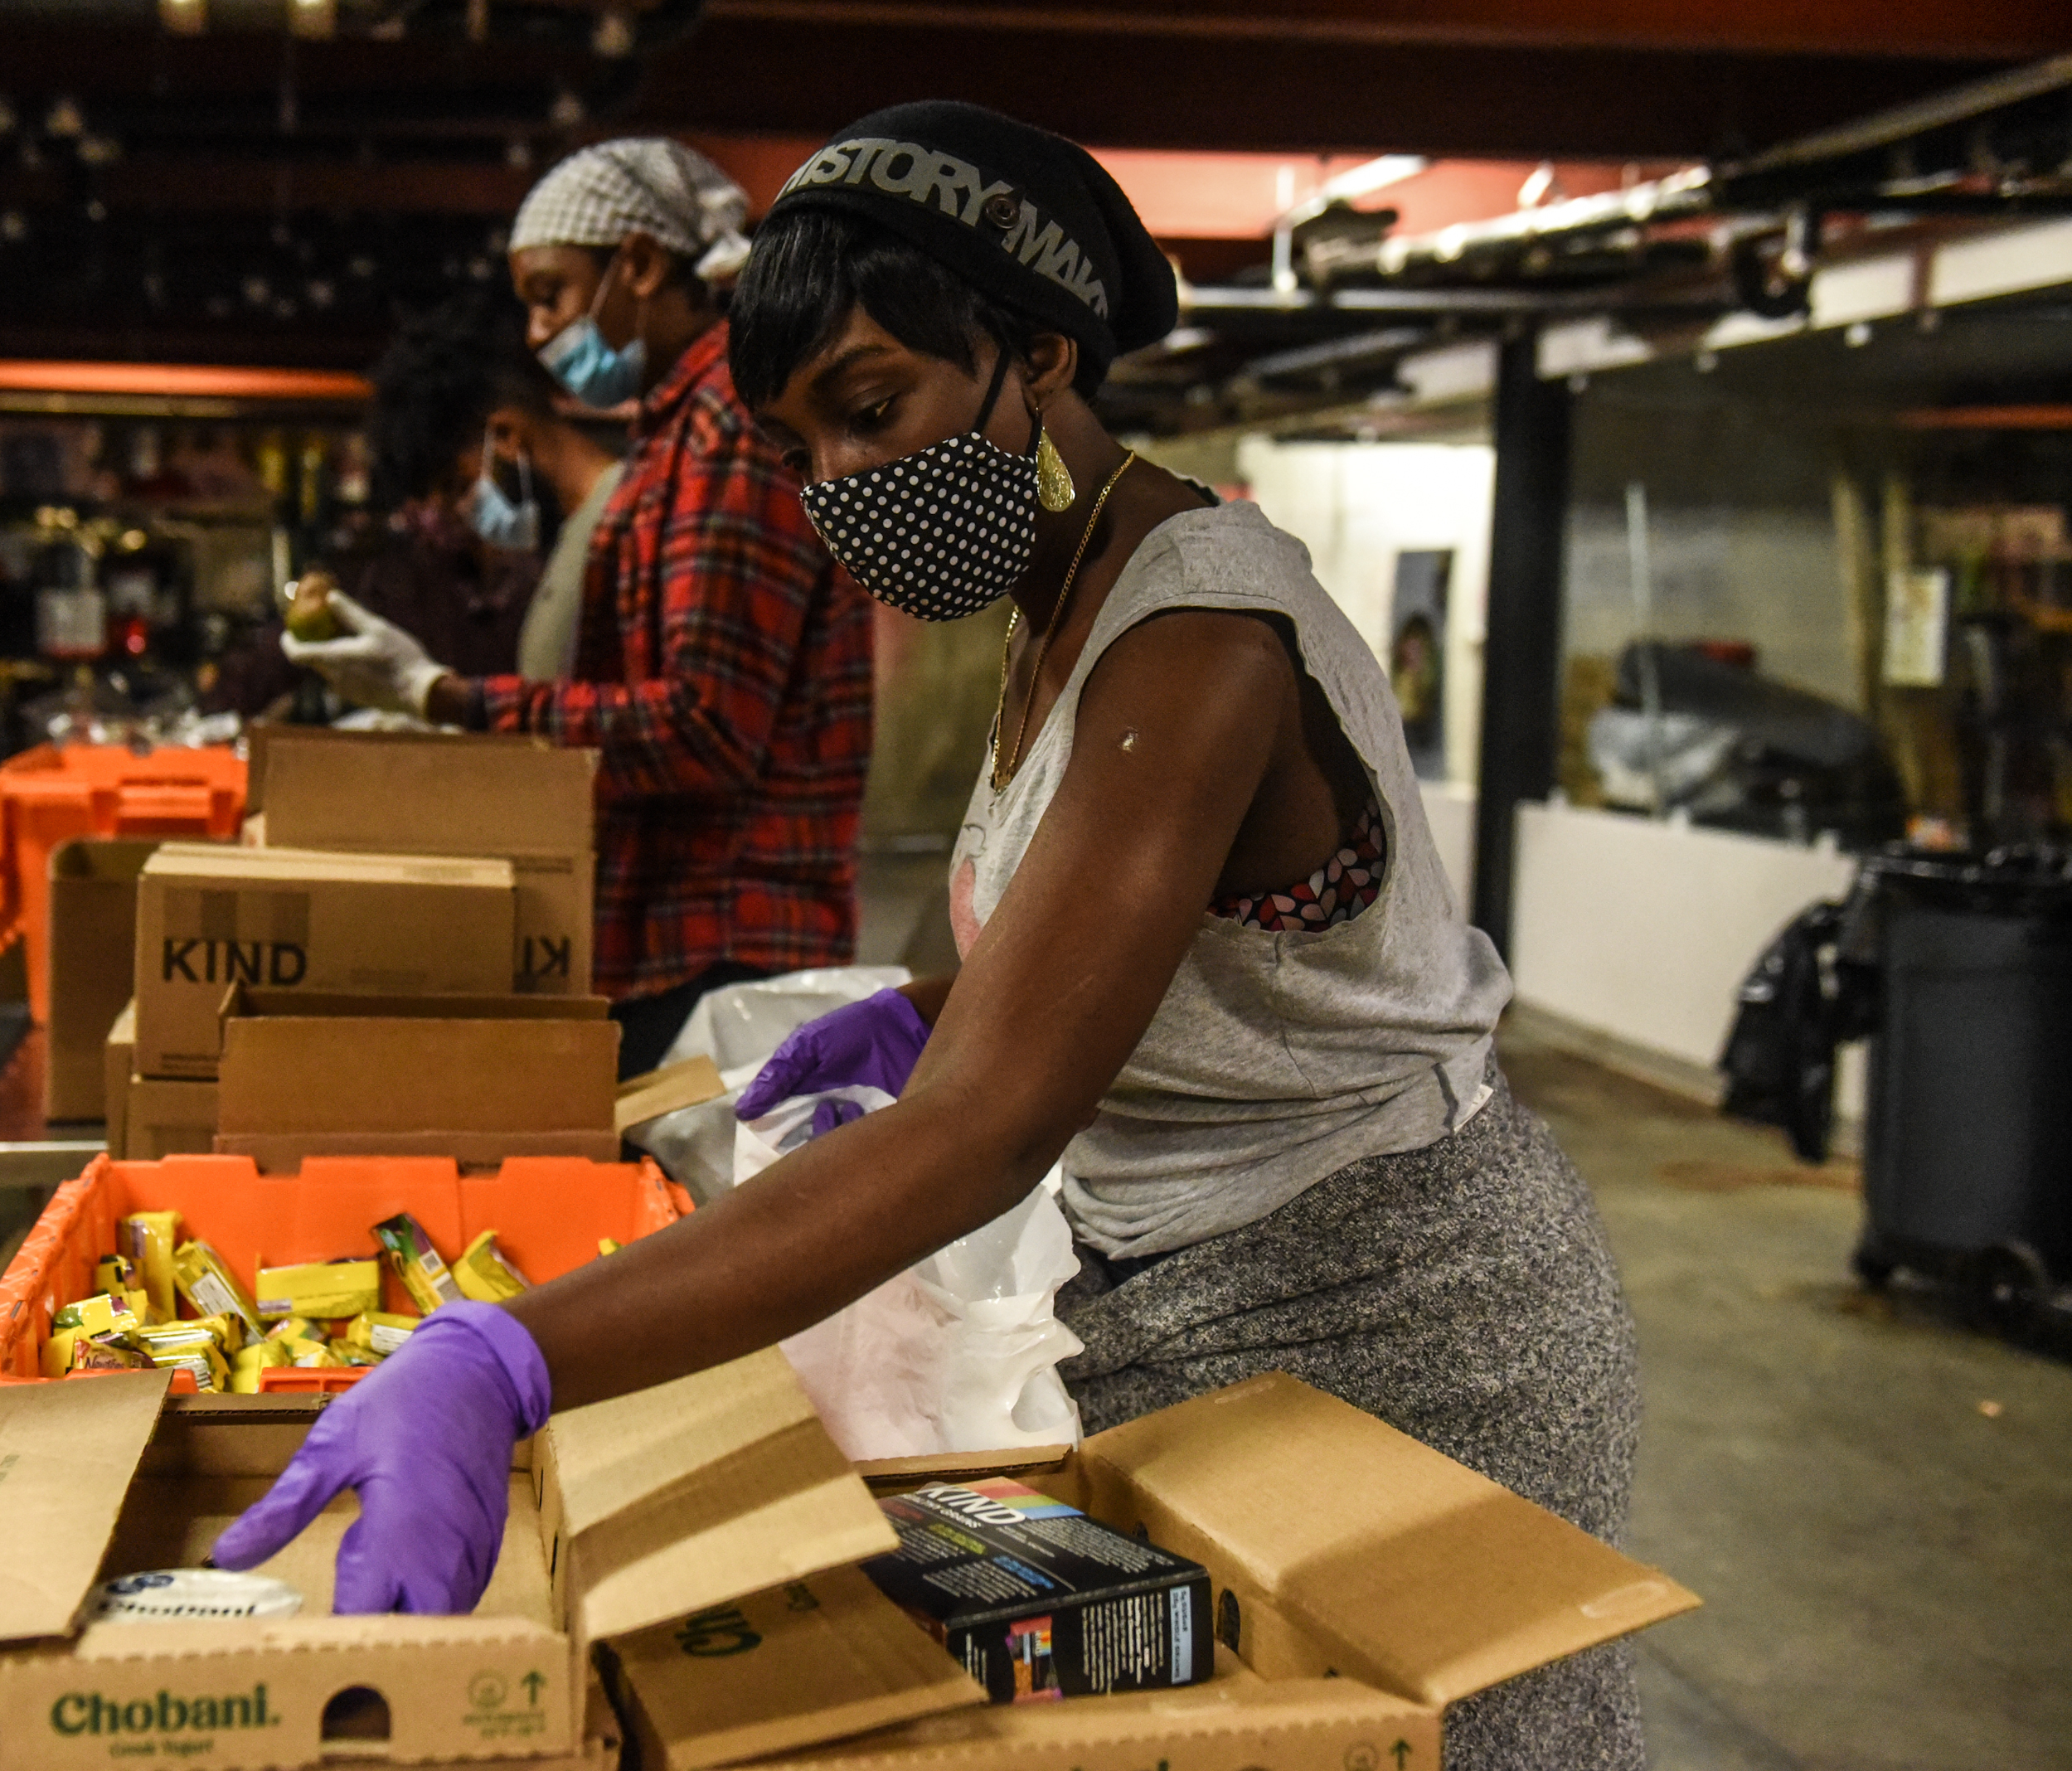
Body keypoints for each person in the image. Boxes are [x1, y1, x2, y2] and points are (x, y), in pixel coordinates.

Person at [231, 104, 1639, 1771]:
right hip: (1189, 1316)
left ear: (1034, 355)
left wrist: (504, 1357)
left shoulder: (1193, 634)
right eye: (800, 443)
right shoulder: (1056, 605)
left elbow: (981, 1138)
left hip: (1401, 1329)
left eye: (872, 406)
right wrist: (934, 1003)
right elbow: (1125, 936)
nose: (837, 484)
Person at [285, 139, 874, 1075]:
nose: (534, 331)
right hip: (676, 939)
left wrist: (444, 696)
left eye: (550, 293)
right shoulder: (674, 435)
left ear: (636, 264)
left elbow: (705, 727)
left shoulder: (726, 428)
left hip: (722, 945)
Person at [357, 294, 627, 683]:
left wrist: (440, 696)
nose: (462, 514)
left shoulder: (628, 517)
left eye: (458, 486)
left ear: (504, 436)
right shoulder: (568, 543)